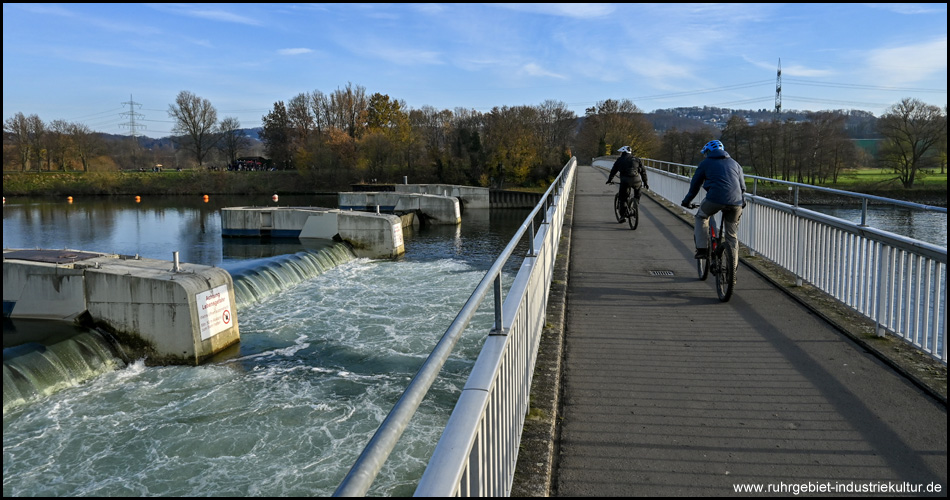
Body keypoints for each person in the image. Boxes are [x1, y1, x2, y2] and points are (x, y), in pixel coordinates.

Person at [680, 140, 746, 261]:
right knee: (731, 236)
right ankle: (733, 272)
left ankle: (702, 250)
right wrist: (742, 201)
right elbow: (742, 187)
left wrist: (686, 201)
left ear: (708, 152)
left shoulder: (705, 163)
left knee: (701, 216)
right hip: (736, 202)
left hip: (714, 199)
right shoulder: (735, 164)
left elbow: (695, 185)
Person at [606, 145, 649, 221]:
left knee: (623, 198)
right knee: (637, 194)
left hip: (625, 181)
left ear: (623, 152)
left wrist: (610, 179)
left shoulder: (620, 160)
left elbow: (613, 170)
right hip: (637, 181)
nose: (620, 154)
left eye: (621, 152)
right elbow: (643, 171)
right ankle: (635, 204)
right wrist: (645, 182)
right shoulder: (636, 159)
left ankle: (623, 216)